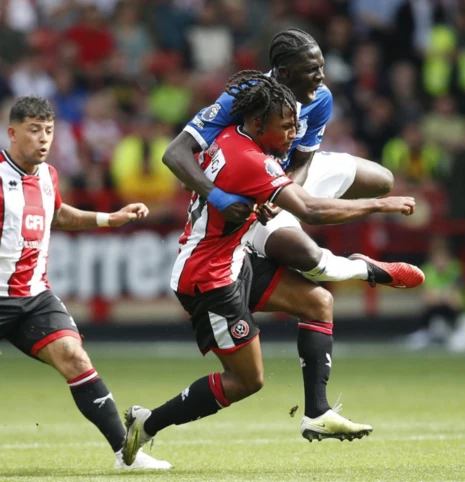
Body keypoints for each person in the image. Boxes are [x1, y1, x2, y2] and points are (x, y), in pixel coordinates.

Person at [121, 73, 417, 466]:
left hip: (234, 259)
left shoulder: (231, 138)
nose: (295, 133)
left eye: (296, 124)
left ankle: (317, 413)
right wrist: (379, 205)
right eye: (286, 126)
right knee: (248, 381)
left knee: (317, 302)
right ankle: (148, 423)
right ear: (259, 124)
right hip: (208, 278)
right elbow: (311, 209)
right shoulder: (252, 160)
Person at [162, 28, 423, 290]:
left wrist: (284, 199)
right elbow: (175, 152)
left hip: (288, 176)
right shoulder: (244, 96)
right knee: (309, 259)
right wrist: (218, 196)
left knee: (383, 180)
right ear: (284, 72)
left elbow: (303, 161)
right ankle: (355, 265)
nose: (321, 77)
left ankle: (287, 222)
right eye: (312, 70)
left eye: (321, 67)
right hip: (254, 191)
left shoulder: (321, 97)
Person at [0, 96, 172, 469]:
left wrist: (111, 218)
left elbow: (58, 214)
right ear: (12, 133)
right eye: (33, 130)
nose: (43, 139)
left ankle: (126, 456)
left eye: (48, 130)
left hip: (33, 296)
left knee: (75, 357)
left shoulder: (48, 175)